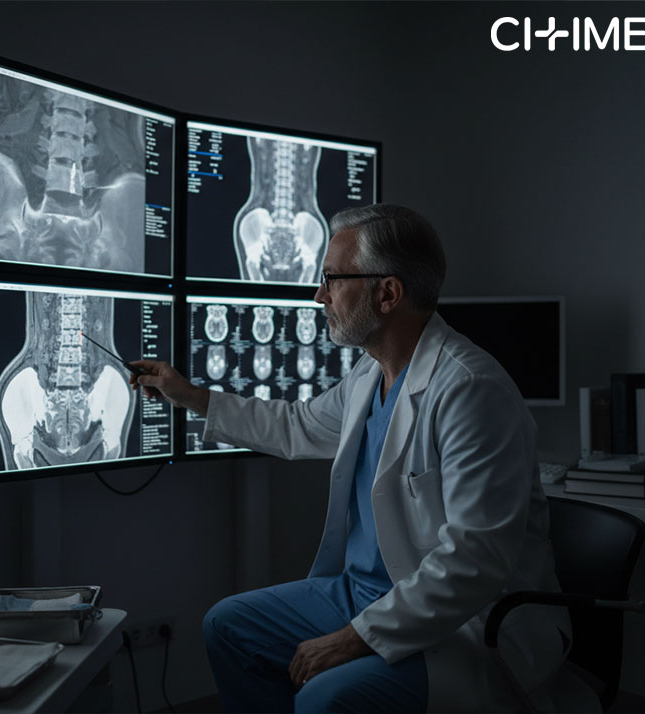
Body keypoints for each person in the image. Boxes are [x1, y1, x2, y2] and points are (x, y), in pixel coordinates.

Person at [129, 204, 571, 713]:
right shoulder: (371, 373)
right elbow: (297, 425)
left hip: (469, 624)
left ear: (387, 294)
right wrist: (191, 397)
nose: (319, 296)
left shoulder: (471, 390)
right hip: (362, 592)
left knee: (325, 697)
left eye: (331, 279)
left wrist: (356, 637)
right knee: (228, 626)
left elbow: (474, 561)